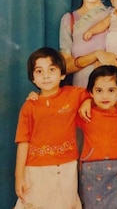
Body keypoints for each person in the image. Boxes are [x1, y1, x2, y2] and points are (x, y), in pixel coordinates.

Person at [14, 47, 86, 209]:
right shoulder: (29, 106)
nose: (46, 75)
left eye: (51, 69)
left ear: (62, 74)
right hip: (36, 169)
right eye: (39, 71)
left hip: (67, 166)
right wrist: (19, 176)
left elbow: (97, 97)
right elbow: (23, 142)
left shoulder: (74, 94)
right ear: (32, 78)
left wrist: (88, 102)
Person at [77, 65, 117, 209]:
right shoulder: (85, 112)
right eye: (99, 90)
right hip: (91, 170)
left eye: (111, 90)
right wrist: (87, 101)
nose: (105, 96)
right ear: (91, 92)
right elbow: (68, 97)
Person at [60, 0, 117, 88]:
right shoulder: (69, 19)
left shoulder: (116, 15)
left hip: (111, 96)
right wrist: (97, 55)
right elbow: (65, 66)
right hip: (80, 96)